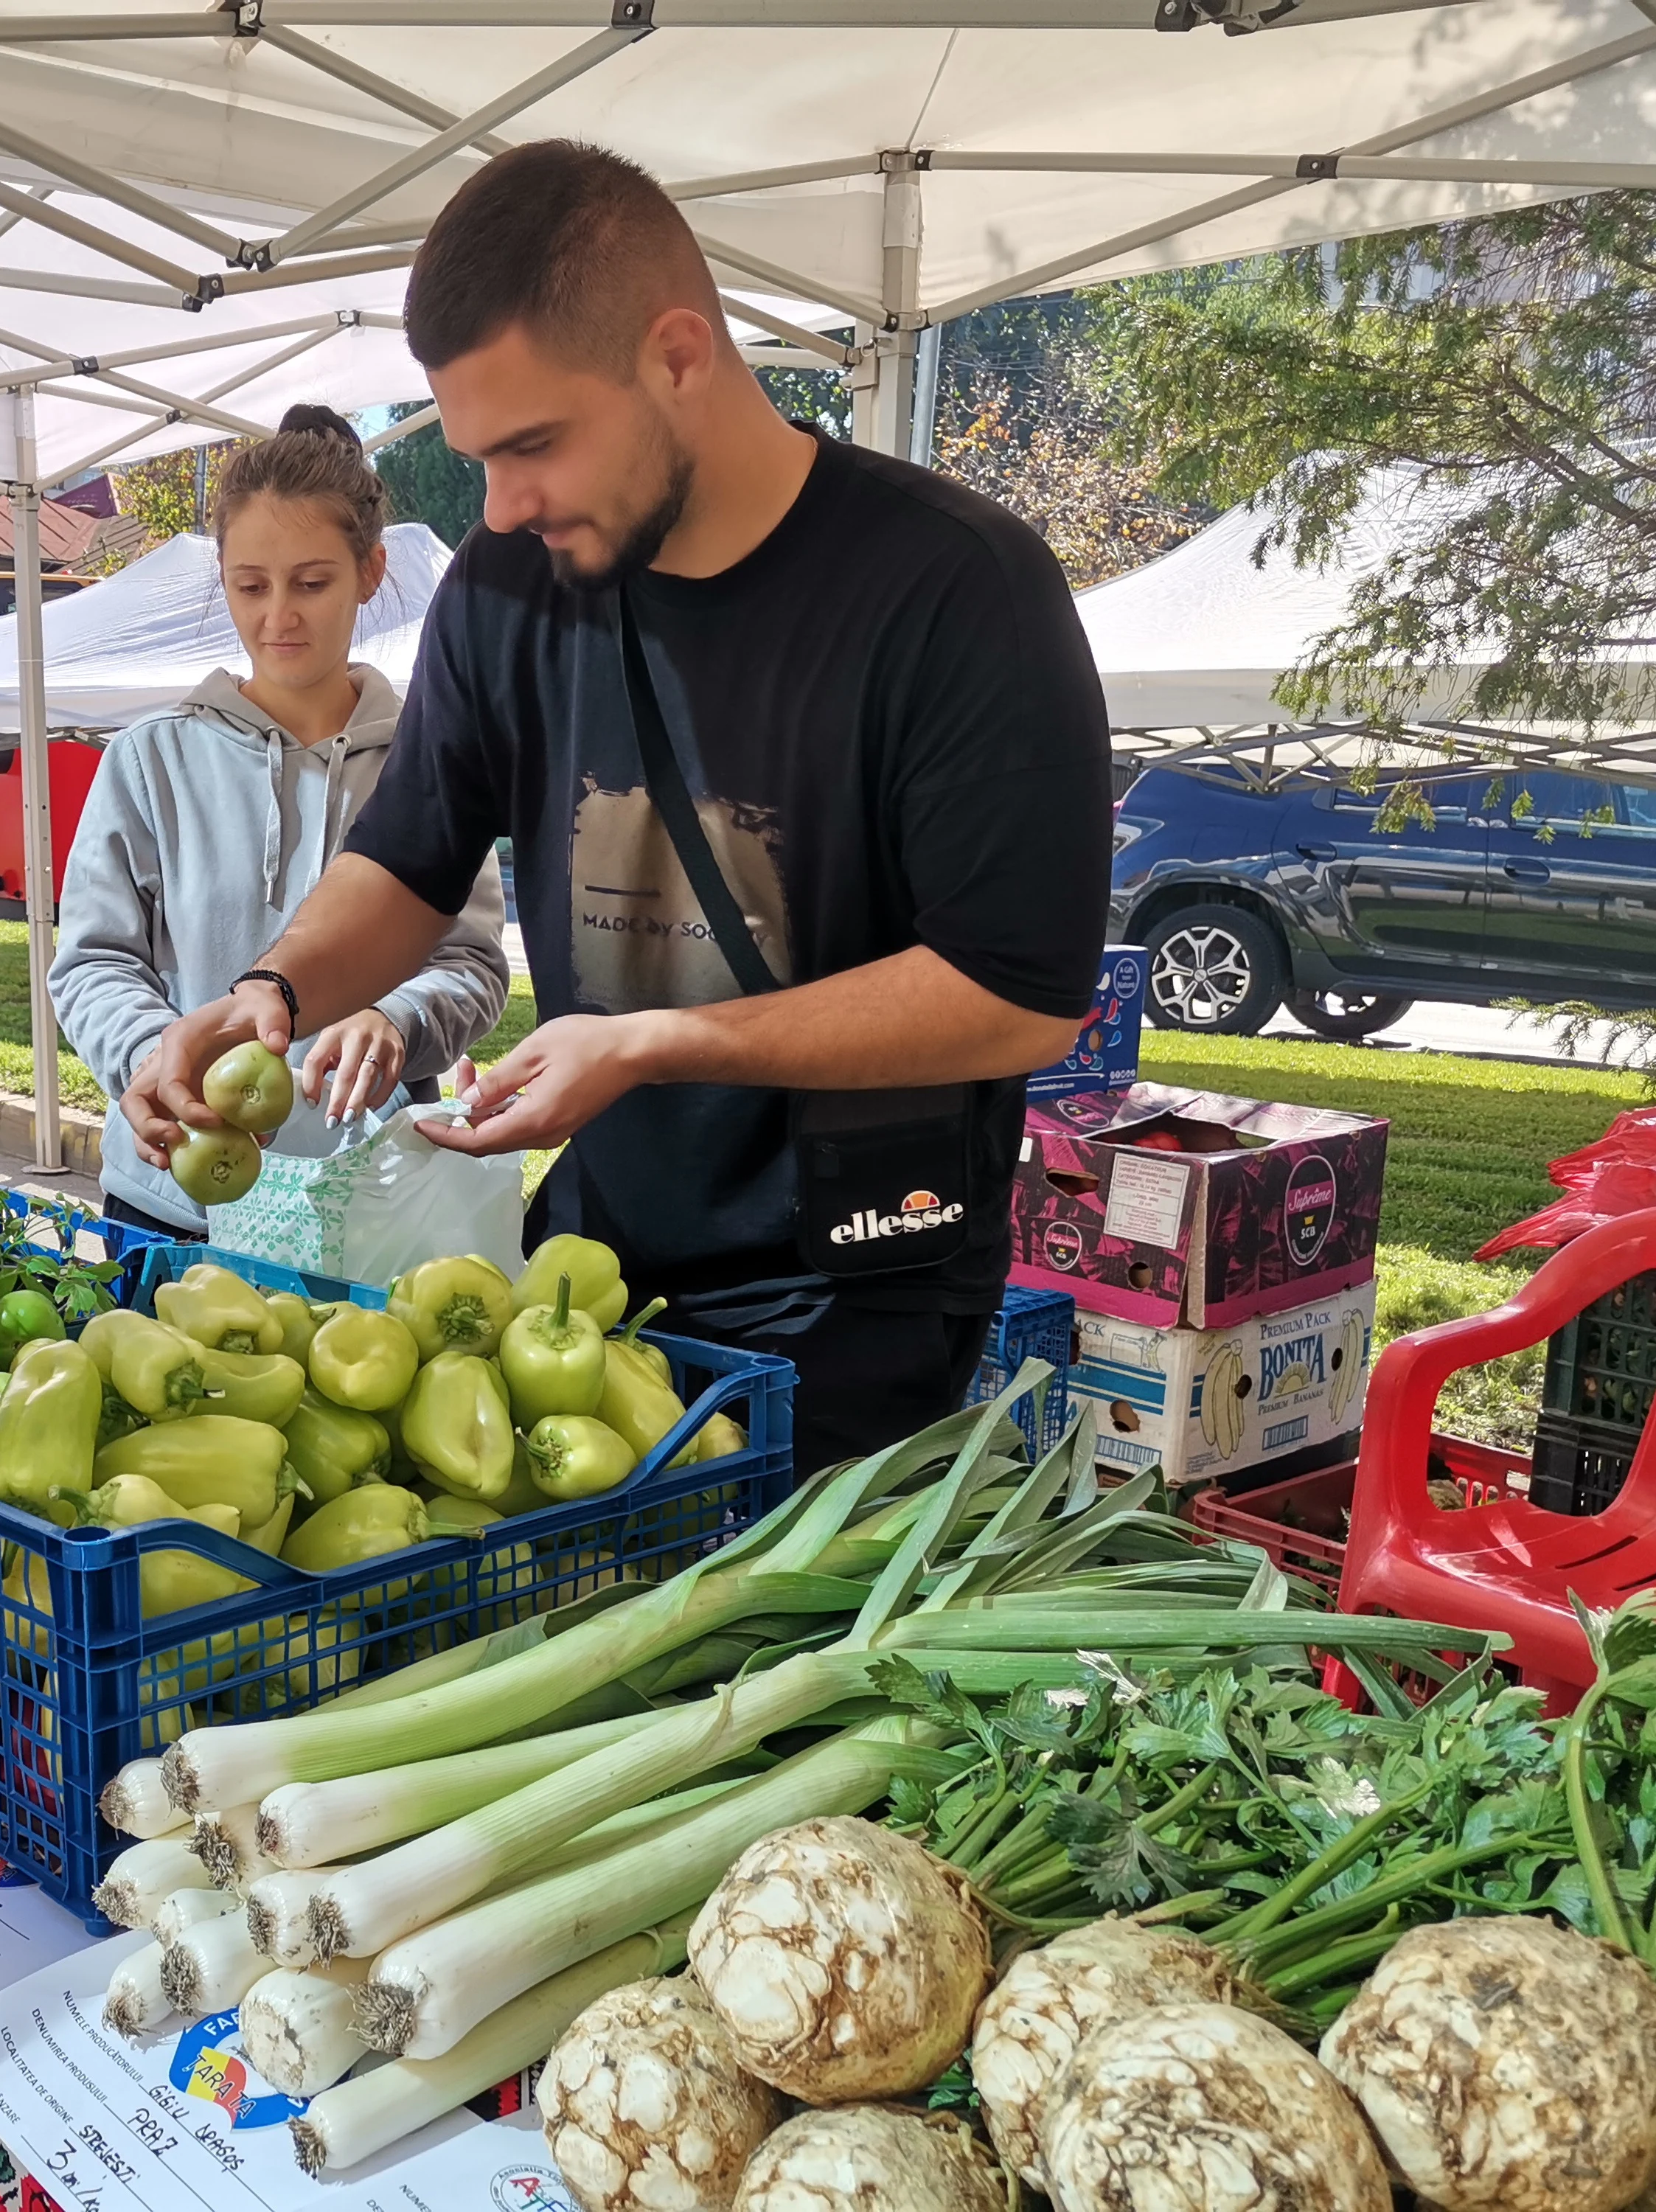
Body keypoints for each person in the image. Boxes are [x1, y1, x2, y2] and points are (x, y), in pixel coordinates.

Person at [124, 145, 1109, 1465]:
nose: (503, 505)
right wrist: (274, 991)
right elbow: (412, 855)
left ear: (679, 356)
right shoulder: (508, 584)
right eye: (476, 457)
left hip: (857, 1281)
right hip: (596, 1250)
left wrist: (653, 1043)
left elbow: (1019, 992)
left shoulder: (956, 590)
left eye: (534, 444)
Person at [52, 405, 509, 1237]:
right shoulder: (150, 760)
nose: (277, 618)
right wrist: (166, 1060)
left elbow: (472, 965)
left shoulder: (434, 763)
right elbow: (91, 963)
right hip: (172, 1193)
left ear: (370, 573)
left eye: (311, 583)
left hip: (364, 1196)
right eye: (250, 586)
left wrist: (396, 1021)